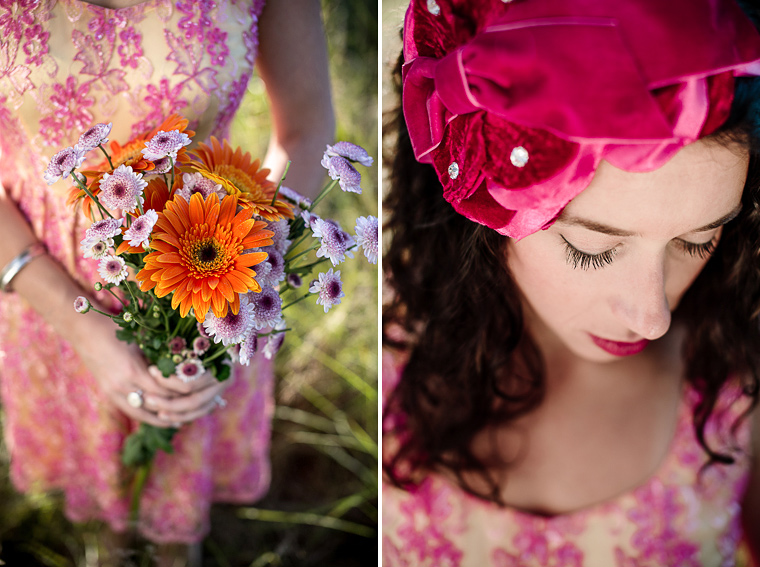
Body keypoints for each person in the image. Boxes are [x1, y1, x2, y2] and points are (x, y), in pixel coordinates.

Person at [382, 0, 760, 564]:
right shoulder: (382, 351)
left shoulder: (739, 387)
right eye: (592, 248)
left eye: (697, 240)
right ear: (481, 217)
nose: (652, 316)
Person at [0, 0, 333, 564]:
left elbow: (306, 126)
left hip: (210, 281)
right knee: (100, 514)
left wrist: (245, 275)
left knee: (178, 501)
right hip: (41, 279)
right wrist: (80, 328)